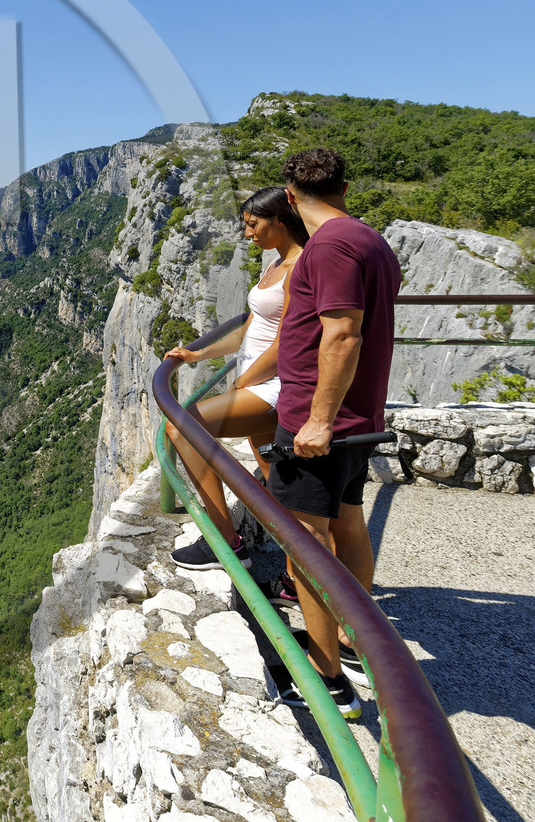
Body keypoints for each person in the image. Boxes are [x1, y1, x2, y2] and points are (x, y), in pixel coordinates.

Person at [267, 147, 400, 721]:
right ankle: (353, 640)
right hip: (358, 420)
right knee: (347, 522)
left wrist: (317, 420)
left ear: (291, 198)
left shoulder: (330, 247)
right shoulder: (373, 241)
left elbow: (342, 334)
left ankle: (328, 681)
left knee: (305, 547)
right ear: (345, 187)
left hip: (319, 424)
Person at [164, 187, 307, 571]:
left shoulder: (301, 269)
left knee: (181, 427)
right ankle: (304, 575)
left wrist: (246, 382)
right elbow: (250, 328)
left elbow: (286, 343)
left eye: (252, 224)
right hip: (255, 381)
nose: (248, 234)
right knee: (277, 486)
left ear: (280, 218)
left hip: (273, 387)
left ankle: (224, 541)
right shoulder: (275, 264)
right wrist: (199, 354)